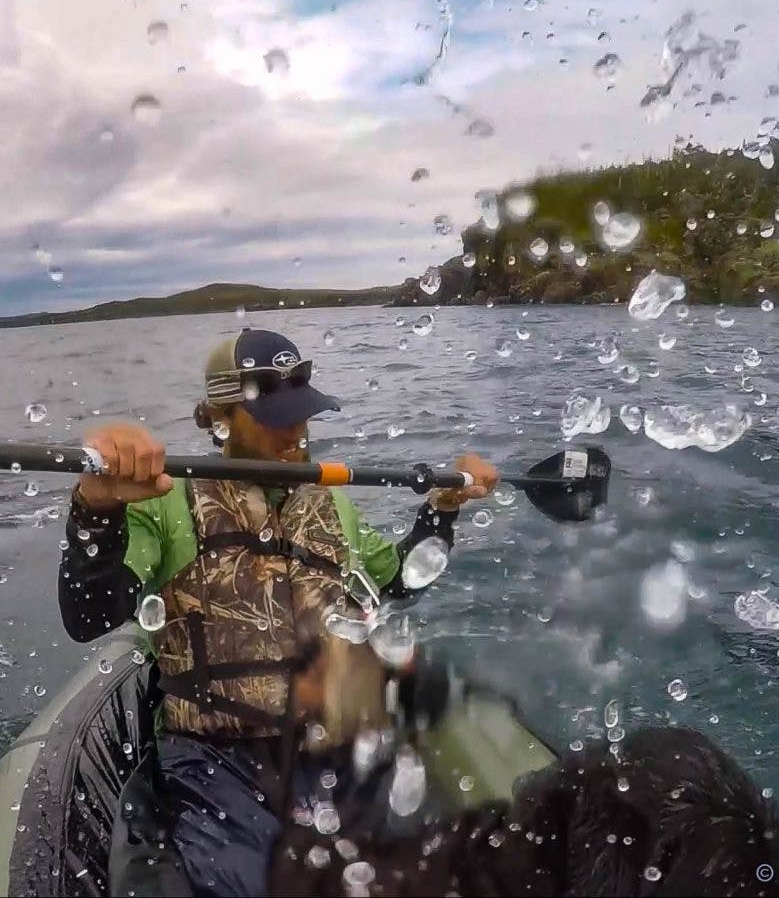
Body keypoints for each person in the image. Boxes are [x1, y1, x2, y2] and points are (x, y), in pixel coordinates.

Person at [57, 328, 497, 897]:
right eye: (273, 417)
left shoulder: (331, 499)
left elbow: (396, 581)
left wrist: (442, 509)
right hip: (218, 766)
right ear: (220, 416)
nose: (295, 430)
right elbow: (87, 615)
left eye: (302, 413)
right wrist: (97, 510)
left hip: (336, 755)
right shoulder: (164, 502)